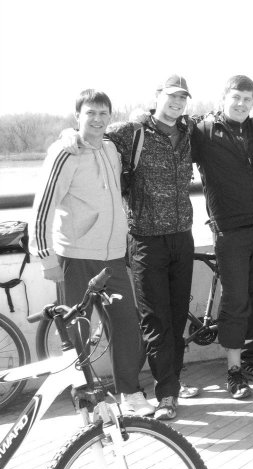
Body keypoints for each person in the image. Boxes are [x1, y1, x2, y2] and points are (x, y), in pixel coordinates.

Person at [60, 75, 200, 420]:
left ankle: (172, 384)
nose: (176, 103)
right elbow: (92, 133)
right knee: (155, 320)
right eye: (171, 96)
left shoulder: (189, 131)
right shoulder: (132, 131)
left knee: (176, 318)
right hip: (145, 240)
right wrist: (68, 134)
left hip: (182, 236)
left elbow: (232, 116)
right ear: (158, 96)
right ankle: (166, 395)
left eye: (182, 98)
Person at [30, 89, 154, 416]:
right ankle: (86, 402)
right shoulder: (65, 152)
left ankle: (129, 393)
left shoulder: (111, 148)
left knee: (126, 326)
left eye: (103, 113)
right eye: (90, 113)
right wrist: (45, 257)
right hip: (76, 257)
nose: (97, 119)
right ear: (78, 117)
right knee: (77, 333)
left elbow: (140, 126)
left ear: (109, 117)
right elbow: (43, 207)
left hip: (112, 259)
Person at [190, 75, 253, 399]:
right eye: (236, 98)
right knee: (236, 301)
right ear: (223, 98)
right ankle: (234, 371)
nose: (241, 104)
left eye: (247, 99)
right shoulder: (203, 132)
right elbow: (168, 130)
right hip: (229, 229)